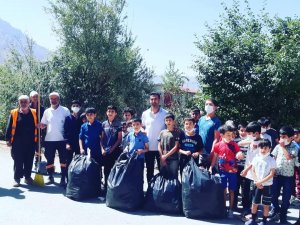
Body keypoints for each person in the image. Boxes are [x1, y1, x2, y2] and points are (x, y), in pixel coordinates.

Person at [209, 125, 244, 219]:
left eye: (231, 135)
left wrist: (240, 154)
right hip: (222, 171)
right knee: (224, 190)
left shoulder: (234, 144)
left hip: (233, 171)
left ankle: (231, 209)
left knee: (232, 190)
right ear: (222, 135)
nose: (230, 137)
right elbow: (215, 158)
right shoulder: (217, 145)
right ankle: (224, 208)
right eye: (228, 135)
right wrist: (211, 167)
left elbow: (238, 153)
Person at [5, 95, 38, 187]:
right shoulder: (14, 113)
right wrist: (7, 139)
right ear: (19, 103)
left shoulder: (34, 112)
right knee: (18, 160)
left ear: (29, 103)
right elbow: (9, 126)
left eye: (25, 101)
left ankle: (27, 177)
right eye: (21, 102)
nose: (23, 103)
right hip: (17, 142)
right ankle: (17, 178)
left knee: (29, 160)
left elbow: (39, 127)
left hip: (31, 142)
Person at [39, 92, 70, 186]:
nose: (53, 100)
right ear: (49, 100)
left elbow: (69, 125)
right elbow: (44, 124)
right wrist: (40, 126)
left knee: (63, 160)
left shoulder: (65, 110)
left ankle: (63, 178)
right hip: (49, 140)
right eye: (51, 98)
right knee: (49, 160)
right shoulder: (46, 111)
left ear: (59, 99)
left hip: (62, 140)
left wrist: (68, 140)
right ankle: (50, 176)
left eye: (55, 98)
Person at [269, 126, 299, 224]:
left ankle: (283, 215)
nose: (282, 139)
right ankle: (275, 210)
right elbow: (273, 158)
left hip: (288, 177)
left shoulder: (294, 146)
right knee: (273, 195)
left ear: (291, 137)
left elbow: (289, 157)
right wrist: (271, 171)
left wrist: (283, 147)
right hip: (277, 175)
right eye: (281, 136)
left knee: (286, 198)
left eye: (284, 137)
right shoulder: (278, 146)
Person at [243, 139, 276, 225]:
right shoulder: (256, 158)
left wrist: (260, 182)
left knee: (266, 204)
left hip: (267, 185)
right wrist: (256, 181)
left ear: (270, 149)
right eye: (261, 147)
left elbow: (272, 174)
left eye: (265, 148)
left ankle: (264, 221)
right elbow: (253, 170)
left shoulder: (271, 160)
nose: (263, 150)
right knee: (254, 203)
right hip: (256, 184)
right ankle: (253, 220)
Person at [240, 121, 264, 221]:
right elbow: (239, 142)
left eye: (250, 134)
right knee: (246, 193)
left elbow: (255, 160)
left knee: (254, 194)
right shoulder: (251, 140)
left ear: (257, 133)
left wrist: (246, 170)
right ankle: (246, 211)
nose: (248, 135)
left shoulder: (263, 144)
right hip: (248, 172)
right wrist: (250, 141)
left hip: (255, 173)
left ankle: (253, 215)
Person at [142, 92, 168, 183]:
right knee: (149, 170)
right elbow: (143, 127)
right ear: (149, 101)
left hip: (161, 147)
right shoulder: (145, 114)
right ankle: (150, 191)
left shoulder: (165, 113)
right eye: (152, 99)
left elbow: (169, 127)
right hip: (148, 147)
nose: (154, 101)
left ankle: (161, 191)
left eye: (155, 99)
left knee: (162, 169)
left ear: (159, 100)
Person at [102, 105, 122, 191]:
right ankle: (106, 187)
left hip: (115, 150)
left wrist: (112, 149)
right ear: (106, 113)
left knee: (114, 169)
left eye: (112, 112)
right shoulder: (103, 124)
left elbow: (119, 139)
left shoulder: (119, 124)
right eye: (109, 111)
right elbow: (101, 138)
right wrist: (102, 149)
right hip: (105, 151)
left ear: (115, 113)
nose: (110, 113)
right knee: (106, 169)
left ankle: (113, 188)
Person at [158, 113, 180, 179]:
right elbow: (159, 145)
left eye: (170, 120)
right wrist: (162, 156)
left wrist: (166, 156)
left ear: (173, 121)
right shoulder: (162, 132)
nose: (168, 122)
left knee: (173, 176)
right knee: (163, 176)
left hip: (173, 159)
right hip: (163, 158)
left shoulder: (177, 132)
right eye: (166, 120)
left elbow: (176, 147)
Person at [64, 100, 83, 176]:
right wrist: (67, 143)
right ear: (71, 107)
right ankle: (65, 179)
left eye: (77, 106)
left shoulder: (82, 118)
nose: (75, 107)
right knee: (68, 161)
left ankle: (76, 179)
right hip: (70, 143)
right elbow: (65, 131)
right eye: (74, 106)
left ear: (80, 107)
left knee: (78, 162)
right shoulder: (68, 118)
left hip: (79, 144)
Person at [234, 123, 250, 211]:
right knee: (235, 187)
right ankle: (234, 205)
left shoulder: (250, 141)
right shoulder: (235, 140)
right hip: (236, 167)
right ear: (238, 130)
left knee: (245, 189)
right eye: (241, 130)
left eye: (245, 131)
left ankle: (246, 207)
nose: (243, 132)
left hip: (246, 167)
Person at [29, 90, 45, 171]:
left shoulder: (42, 108)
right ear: (30, 98)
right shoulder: (28, 107)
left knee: (38, 148)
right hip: (29, 132)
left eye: (37, 97)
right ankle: (28, 165)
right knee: (29, 148)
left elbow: (45, 120)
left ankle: (37, 164)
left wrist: (42, 125)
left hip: (38, 131)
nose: (35, 98)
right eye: (34, 97)